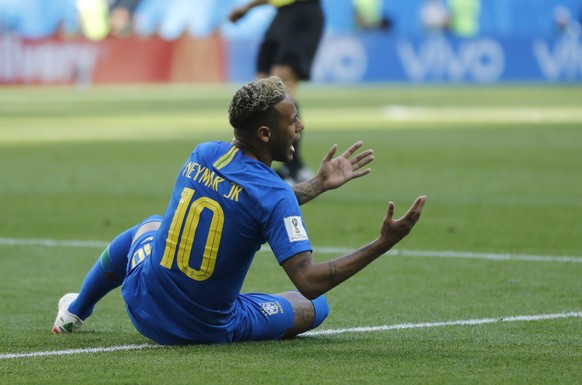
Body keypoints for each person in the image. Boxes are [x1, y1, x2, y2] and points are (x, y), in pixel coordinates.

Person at [52, 76, 427, 344]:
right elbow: (309, 283)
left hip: (142, 304)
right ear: (265, 134)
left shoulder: (204, 153)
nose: (300, 126)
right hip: (203, 331)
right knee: (317, 308)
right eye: (292, 120)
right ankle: (245, 310)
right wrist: (382, 243)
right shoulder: (275, 195)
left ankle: (75, 311)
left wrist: (316, 184)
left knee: (148, 227)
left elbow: (247, 201)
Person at [228, 0, 325, 185]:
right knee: (261, 89)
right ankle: (259, 166)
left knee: (282, 86)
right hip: (281, 13)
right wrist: (246, 8)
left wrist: (246, 7)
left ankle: (292, 167)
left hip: (304, 10)